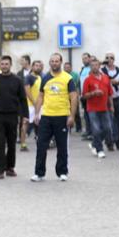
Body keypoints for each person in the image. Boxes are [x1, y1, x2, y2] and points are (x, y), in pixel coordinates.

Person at [31, 53, 78, 182]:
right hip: (46, 116)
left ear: (61, 62)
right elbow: (40, 96)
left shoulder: (67, 78)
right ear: (49, 63)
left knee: (62, 146)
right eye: (52, 61)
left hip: (62, 116)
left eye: (57, 61)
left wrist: (71, 116)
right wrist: (37, 113)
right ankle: (39, 173)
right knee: (41, 145)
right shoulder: (45, 78)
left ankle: (62, 172)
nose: (54, 63)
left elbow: (73, 97)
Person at [0, 56, 28, 179]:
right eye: (2, 64)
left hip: (13, 115)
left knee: (12, 143)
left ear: (10, 65)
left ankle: (10, 167)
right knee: (0, 143)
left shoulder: (17, 80)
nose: (4, 66)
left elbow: (23, 100)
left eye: (6, 64)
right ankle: (0, 170)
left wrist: (25, 116)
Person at [82, 58, 114, 159]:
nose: (94, 67)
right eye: (92, 65)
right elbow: (84, 96)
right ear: (90, 67)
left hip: (104, 107)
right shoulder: (88, 80)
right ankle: (99, 150)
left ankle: (95, 143)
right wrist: (93, 93)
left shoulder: (105, 78)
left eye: (96, 65)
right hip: (92, 108)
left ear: (99, 66)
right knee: (96, 130)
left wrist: (111, 106)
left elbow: (110, 94)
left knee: (108, 128)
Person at [102, 52, 119, 150]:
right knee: (108, 122)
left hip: (118, 97)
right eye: (107, 58)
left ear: (114, 59)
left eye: (111, 58)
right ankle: (109, 142)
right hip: (106, 98)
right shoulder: (101, 70)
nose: (109, 59)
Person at [23, 60, 43, 151]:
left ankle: (40, 141)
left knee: (40, 124)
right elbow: (27, 91)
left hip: (40, 105)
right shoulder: (28, 77)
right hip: (30, 105)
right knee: (26, 123)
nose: (38, 67)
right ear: (32, 66)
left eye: (39, 66)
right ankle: (23, 144)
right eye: (36, 65)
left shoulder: (42, 77)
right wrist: (34, 103)